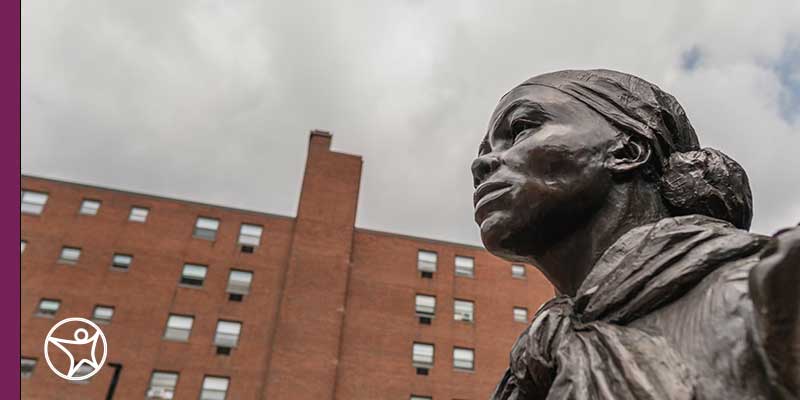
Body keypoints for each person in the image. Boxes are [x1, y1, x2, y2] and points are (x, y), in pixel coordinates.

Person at [471, 69, 798, 399]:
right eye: (484, 149)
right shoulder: (535, 367)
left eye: (521, 129)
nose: (481, 164)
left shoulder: (773, 294)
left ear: (628, 150)